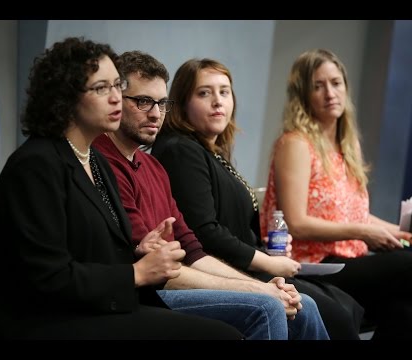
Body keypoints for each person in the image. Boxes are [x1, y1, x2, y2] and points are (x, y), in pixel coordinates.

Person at [0, 37, 244, 340]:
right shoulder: (35, 166)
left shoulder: (94, 161)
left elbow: (90, 249)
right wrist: (137, 271)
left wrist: (138, 250)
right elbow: (47, 276)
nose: (116, 98)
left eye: (116, 86)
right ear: (64, 96)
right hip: (45, 321)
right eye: (101, 88)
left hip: (93, 307)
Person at [93, 50, 329, 340]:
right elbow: (155, 267)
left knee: (303, 305)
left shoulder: (153, 166)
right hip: (146, 294)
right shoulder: (102, 164)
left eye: (162, 103)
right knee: (269, 306)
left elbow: (193, 251)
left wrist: (266, 286)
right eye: (143, 102)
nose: (155, 113)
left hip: (171, 280)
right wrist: (260, 288)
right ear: (115, 101)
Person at [151, 57, 363, 340]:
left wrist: (270, 248)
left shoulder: (211, 152)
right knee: (325, 312)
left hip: (244, 266)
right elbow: (206, 233)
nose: (218, 101)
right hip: (218, 271)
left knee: (343, 306)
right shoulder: (181, 150)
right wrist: (267, 262)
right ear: (182, 103)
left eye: (224, 92)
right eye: (204, 93)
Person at [260, 48, 412, 340]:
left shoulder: (346, 145)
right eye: (318, 86)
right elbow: (296, 222)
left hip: (349, 259)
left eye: (336, 83)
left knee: (404, 311)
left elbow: (354, 214)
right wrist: (364, 234)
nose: (330, 93)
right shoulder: (296, 143)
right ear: (303, 95)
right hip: (316, 265)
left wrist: (399, 233)